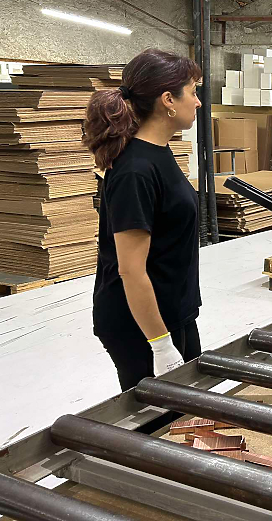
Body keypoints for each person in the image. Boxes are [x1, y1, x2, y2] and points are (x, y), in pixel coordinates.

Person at [84, 49, 203, 391]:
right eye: (193, 92)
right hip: (140, 325)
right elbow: (131, 270)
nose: (197, 102)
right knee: (157, 419)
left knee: (190, 408)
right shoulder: (135, 171)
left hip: (172, 309)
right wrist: (160, 345)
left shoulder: (159, 152)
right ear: (168, 100)